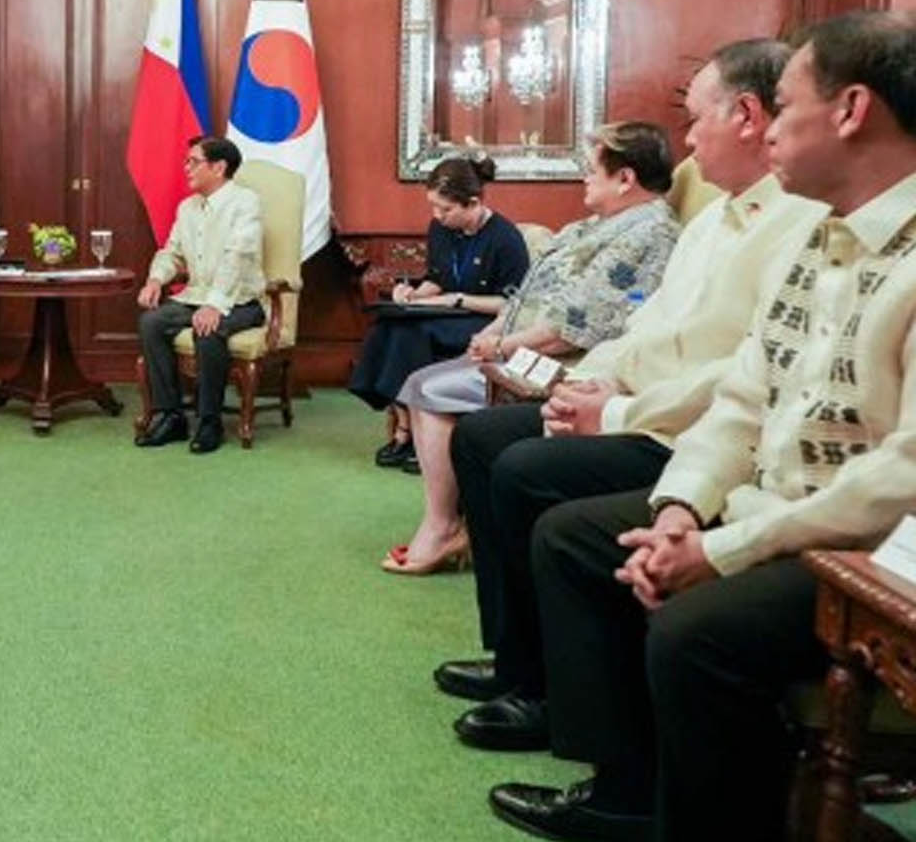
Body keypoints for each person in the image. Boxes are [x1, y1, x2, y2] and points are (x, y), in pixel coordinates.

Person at [489, 11, 916, 842]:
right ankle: (629, 787)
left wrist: (722, 550)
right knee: (587, 540)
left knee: (696, 633)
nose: (773, 129)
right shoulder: (821, 235)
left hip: (865, 553)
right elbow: (745, 397)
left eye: (787, 105)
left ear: (851, 110)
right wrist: (681, 508)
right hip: (768, 509)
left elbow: (900, 476)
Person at [434, 39, 827, 753]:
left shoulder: (800, 223)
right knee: (484, 438)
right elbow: (647, 327)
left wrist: (614, 410)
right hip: (639, 404)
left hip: (682, 430)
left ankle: (559, 699)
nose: (688, 141)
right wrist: (597, 380)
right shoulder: (712, 220)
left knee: (525, 470)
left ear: (746, 116)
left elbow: (746, 374)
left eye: (696, 119)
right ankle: (521, 662)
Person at [382, 121, 681, 575]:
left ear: (625, 178)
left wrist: (501, 345)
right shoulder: (594, 226)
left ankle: (443, 527)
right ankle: (454, 521)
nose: (584, 178)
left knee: (427, 389)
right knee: (420, 377)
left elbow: (576, 326)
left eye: (591, 170)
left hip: (568, 363)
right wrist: (493, 335)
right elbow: (525, 295)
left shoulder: (650, 234)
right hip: (523, 346)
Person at [347, 154, 529, 469]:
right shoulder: (440, 229)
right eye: (433, 207)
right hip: (445, 312)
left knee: (413, 333)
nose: (437, 216)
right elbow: (437, 278)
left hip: (485, 320)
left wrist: (457, 299)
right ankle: (406, 424)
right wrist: (412, 295)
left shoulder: (505, 238)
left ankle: (413, 437)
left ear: (473, 204)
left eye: (446, 209)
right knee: (387, 324)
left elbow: (512, 304)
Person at [134, 136, 267, 455]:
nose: (186, 168)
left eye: (193, 162)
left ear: (219, 167)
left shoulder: (246, 202)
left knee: (207, 331)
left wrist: (215, 305)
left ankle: (210, 422)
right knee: (152, 322)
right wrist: (155, 279)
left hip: (241, 301)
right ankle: (171, 416)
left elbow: (237, 257)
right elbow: (172, 252)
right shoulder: (187, 207)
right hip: (195, 296)